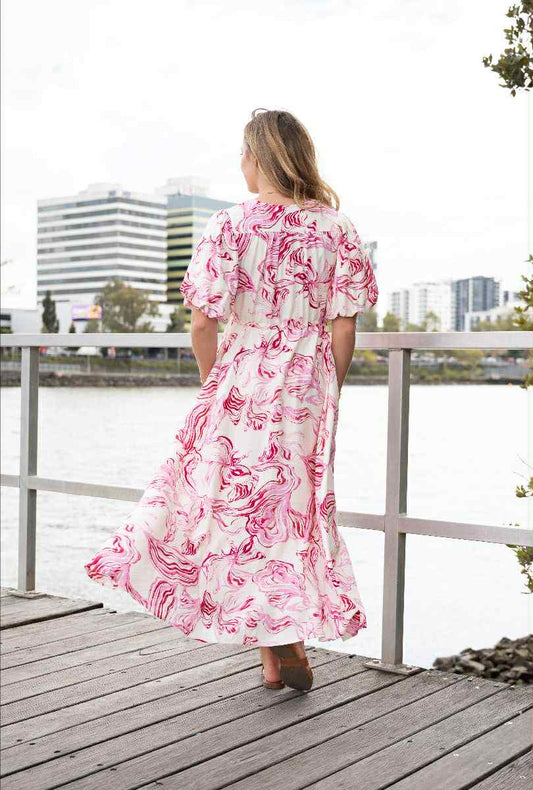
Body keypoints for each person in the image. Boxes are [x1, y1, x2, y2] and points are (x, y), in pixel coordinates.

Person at [84, 108, 379, 692]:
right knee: (288, 512)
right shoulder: (336, 227)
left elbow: (202, 322)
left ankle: (275, 647)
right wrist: (328, 388)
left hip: (242, 379)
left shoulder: (230, 225)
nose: (240, 164)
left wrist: (212, 383)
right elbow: (344, 327)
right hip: (307, 386)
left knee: (230, 507)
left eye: (244, 153)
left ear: (259, 157)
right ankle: (277, 650)